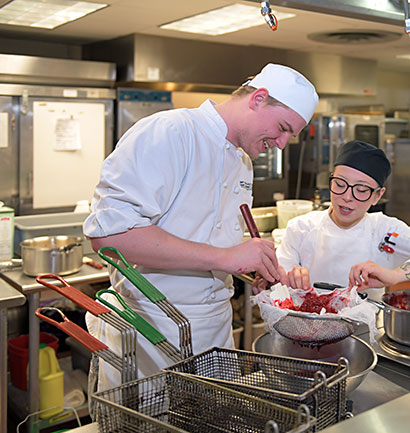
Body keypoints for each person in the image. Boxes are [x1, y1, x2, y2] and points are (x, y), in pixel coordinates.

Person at [83, 63, 318, 391]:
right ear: (258, 99)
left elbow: (208, 242)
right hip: (152, 328)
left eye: (289, 135)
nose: (281, 144)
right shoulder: (169, 132)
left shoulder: (243, 162)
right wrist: (225, 258)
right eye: (282, 128)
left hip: (215, 330)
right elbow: (110, 238)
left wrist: (249, 268)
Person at [272, 140, 410, 294]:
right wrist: (287, 278)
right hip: (306, 327)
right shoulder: (301, 228)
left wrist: (395, 275)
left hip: (362, 331)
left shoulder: (385, 232)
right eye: (339, 184)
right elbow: (278, 283)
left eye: (361, 190)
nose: (347, 197)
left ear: (377, 196)